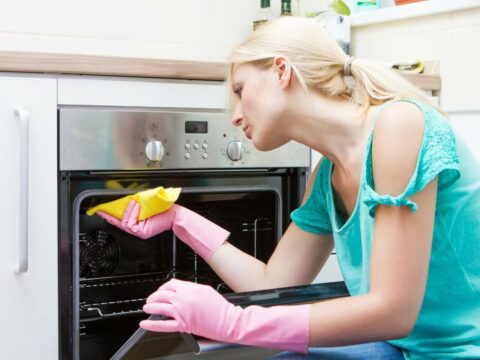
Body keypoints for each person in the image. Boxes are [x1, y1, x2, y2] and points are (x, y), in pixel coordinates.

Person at [97, 16, 480, 360]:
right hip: (401, 349)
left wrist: (234, 322)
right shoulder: (327, 175)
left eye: (240, 89)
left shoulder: (400, 126)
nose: (235, 115)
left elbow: (392, 311)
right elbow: (271, 283)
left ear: (281, 71)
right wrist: (179, 219)